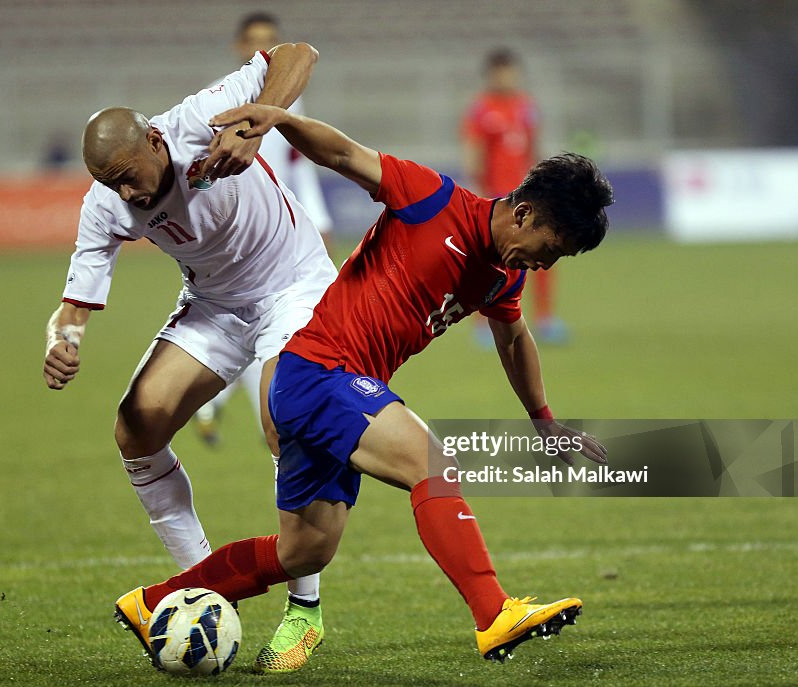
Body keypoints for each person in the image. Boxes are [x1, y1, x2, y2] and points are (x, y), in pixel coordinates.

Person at [117, 104, 613, 665]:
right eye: (551, 248)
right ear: (523, 214)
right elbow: (345, 154)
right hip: (319, 371)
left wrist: (543, 422)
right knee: (433, 464)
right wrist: (276, 117)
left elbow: (515, 339)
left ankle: (152, 602)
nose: (546, 265)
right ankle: (494, 613)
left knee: (304, 550)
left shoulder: (503, 271)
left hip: (332, 388)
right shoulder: (434, 200)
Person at [41, 43, 335, 673]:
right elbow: (75, 304)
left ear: (154, 139)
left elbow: (297, 53)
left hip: (293, 285)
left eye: (130, 172)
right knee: (137, 427)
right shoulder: (109, 205)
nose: (126, 189)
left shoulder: (198, 119)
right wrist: (62, 342)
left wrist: (255, 121)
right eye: (109, 182)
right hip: (216, 304)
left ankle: (304, 612)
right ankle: (199, 586)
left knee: (286, 420)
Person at [194, 11, 335, 449]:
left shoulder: (289, 101)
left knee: (265, 328)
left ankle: (217, 406)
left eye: (271, 40)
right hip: (242, 234)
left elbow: (299, 170)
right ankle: (273, 429)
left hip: (285, 231)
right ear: (242, 48)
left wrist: (319, 220)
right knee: (270, 328)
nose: (264, 48)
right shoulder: (221, 101)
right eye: (255, 41)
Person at [463, 48, 568, 344]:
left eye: (510, 71)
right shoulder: (480, 109)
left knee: (547, 250)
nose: (506, 78)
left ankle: (546, 318)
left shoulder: (526, 106)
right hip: (498, 198)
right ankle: (483, 323)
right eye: (501, 72)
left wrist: (545, 184)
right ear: (491, 75)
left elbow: (535, 148)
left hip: (529, 195)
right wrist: (478, 190)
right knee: (491, 263)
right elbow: (474, 151)